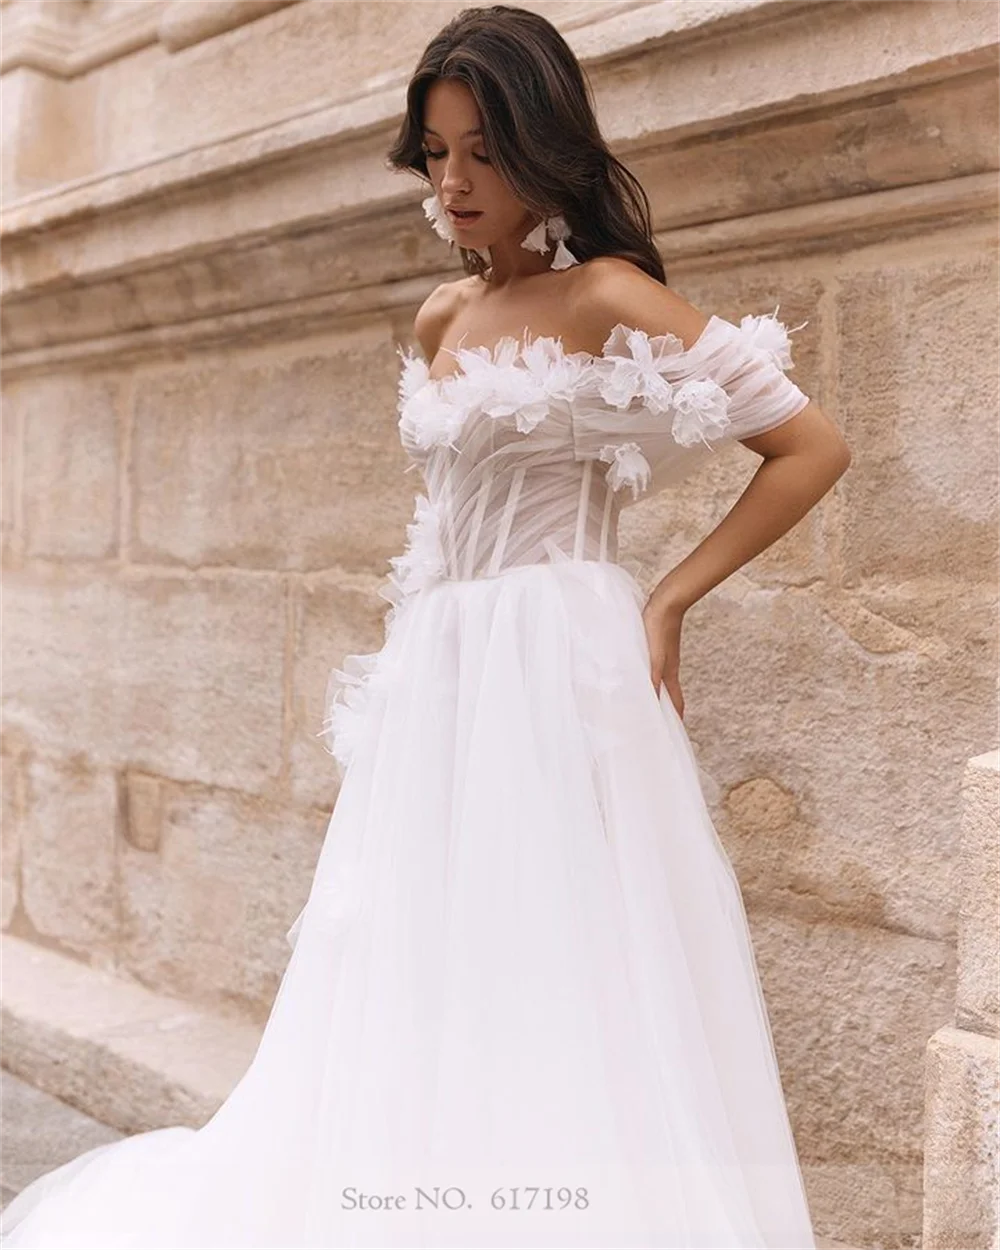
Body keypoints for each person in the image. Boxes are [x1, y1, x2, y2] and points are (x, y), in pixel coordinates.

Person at [0, 6, 851, 1249]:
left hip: (560, 660)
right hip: (443, 669)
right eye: (437, 151)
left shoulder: (606, 294)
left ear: (543, 149)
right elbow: (445, 521)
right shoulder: (440, 320)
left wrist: (668, 598)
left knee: (558, 946)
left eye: (484, 153)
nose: (453, 181)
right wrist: (409, 665)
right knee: (423, 947)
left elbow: (808, 445)